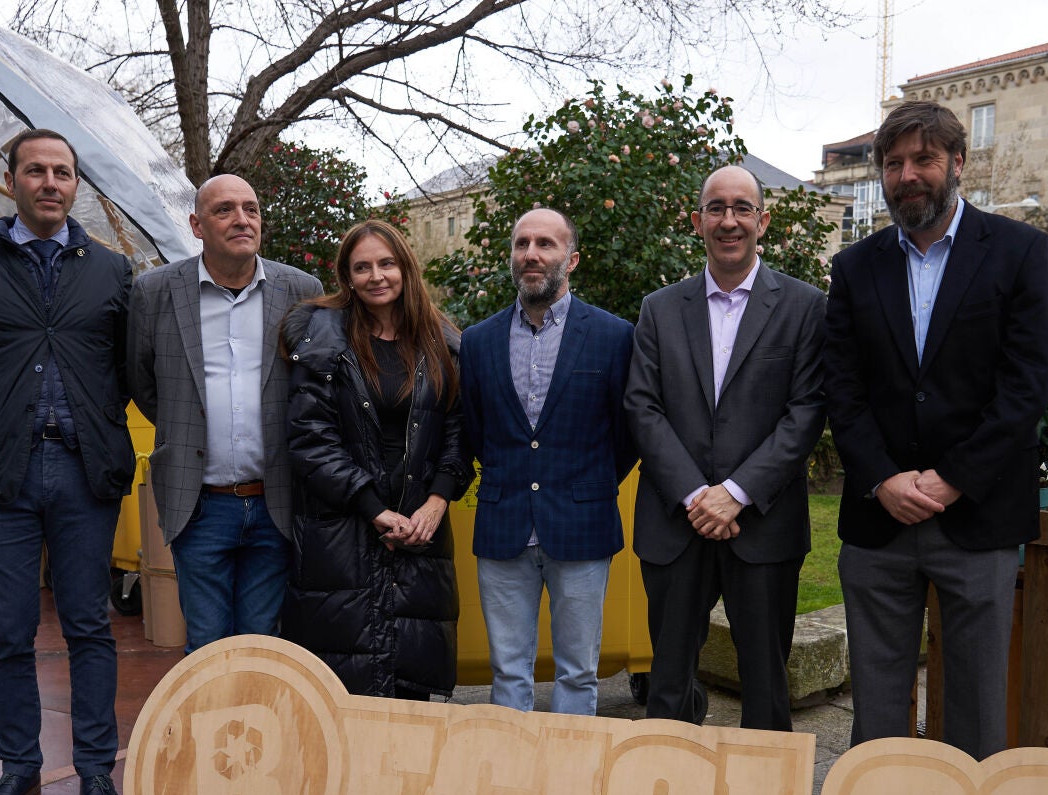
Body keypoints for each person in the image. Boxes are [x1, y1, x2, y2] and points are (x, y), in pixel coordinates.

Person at [823, 100, 1048, 760]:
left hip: (978, 516)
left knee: (978, 712)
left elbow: (1025, 386)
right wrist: (882, 479)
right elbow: (841, 388)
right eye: (893, 163)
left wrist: (954, 478)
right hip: (879, 520)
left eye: (922, 159)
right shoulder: (855, 267)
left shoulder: (1018, 251)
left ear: (957, 162)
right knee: (875, 715)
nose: (907, 175)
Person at [0, 128, 134, 795]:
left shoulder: (111, 271)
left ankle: (96, 769)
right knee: (9, 630)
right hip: (0, 474)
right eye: (37, 171)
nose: (51, 182)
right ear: (10, 180)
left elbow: (122, 368)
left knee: (89, 625)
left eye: (64, 172)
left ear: (76, 184)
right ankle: (18, 766)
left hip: (84, 472)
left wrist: (92, 420)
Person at [625, 164, 827, 732]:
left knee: (766, 690)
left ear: (764, 221)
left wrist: (736, 493)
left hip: (763, 526)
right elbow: (642, 407)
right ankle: (667, 783)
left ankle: (766, 792)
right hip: (676, 524)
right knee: (667, 690)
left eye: (742, 208)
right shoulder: (660, 308)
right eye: (716, 208)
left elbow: (807, 411)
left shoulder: (805, 306)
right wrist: (697, 495)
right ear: (697, 222)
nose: (729, 220)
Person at [126, 175, 322, 653]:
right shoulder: (155, 292)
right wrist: (188, 427)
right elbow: (143, 382)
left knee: (262, 646)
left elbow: (315, 386)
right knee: (206, 648)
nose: (242, 220)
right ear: (196, 225)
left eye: (251, 209)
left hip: (276, 501)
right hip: (199, 506)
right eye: (225, 210)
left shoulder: (301, 290)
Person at [281, 220, 473, 700]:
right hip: (341, 533)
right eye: (362, 267)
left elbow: (459, 432)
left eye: (386, 263)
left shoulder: (442, 342)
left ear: (405, 267)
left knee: (413, 689)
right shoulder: (323, 338)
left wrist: (437, 502)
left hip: (422, 532)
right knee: (343, 690)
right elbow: (310, 438)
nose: (376, 276)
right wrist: (373, 508)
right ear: (346, 276)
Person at [459, 208, 636, 715]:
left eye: (545, 244)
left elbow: (626, 435)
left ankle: (571, 768)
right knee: (507, 670)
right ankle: (512, 766)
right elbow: (475, 429)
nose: (531, 254)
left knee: (578, 672)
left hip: (582, 524)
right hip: (504, 524)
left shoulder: (613, 336)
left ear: (571, 259)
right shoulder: (479, 341)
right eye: (522, 244)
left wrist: (586, 483)